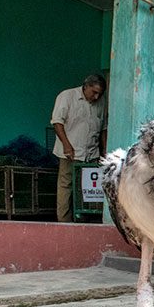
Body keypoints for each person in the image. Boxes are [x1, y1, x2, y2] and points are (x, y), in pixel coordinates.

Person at [50, 73, 108, 222]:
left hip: (91, 152)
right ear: (86, 86)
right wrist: (67, 145)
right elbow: (57, 122)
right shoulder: (67, 96)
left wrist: (104, 151)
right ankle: (64, 221)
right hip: (70, 152)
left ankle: (87, 220)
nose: (96, 97)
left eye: (99, 94)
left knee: (89, 189)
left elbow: (103, 129)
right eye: (94, 92)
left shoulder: (101, 102)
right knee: (66, 186)